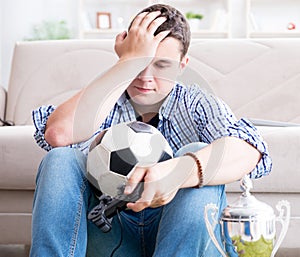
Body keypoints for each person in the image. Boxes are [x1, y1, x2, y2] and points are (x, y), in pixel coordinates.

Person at [30, 4, 272, 257]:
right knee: (61, 158)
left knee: (199, 151)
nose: (145, 77)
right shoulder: (104, 100)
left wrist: (179, 172)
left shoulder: (196, 103)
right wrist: (126, 63)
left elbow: (250, 150)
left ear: (182, 65)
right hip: (112, 233)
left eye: (162, 65)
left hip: (184, 240)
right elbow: (57, 135)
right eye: (140, 64)